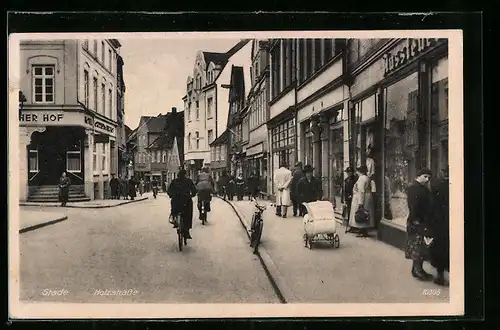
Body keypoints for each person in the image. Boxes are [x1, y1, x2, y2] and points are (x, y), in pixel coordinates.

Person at [405, 168, 434, 281]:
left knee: (419, 246)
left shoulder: (420, 188)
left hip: (419, 221)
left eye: (429, 177)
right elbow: (414, 207)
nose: (427, 179)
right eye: (425, 176)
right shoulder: (415, 189)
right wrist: (416, 220)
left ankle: (417, 270)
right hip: (417, 221)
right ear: (418, 176)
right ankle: (417, 270)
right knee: (418, 246)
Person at [429, 167, 449, 286]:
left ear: (443, 173)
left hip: (438, 220)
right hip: (450, 219)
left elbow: (432, 204)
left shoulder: (436, 185)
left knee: (439, 246)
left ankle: (440, 274)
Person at [167, 169, 197, 239]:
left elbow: (169, 191)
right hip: (186, 201)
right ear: (185, 175)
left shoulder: (174, 181)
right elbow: (194, 191)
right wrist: (192, 195)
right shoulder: (189, 181)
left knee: (174, 209)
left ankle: (174, 219)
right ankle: (187, 229)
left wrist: (171, 195)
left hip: (176, 201)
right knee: (188, 214)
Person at [348, 165, 375, 238]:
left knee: (362, 213)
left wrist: (360, 202)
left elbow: (361, 191)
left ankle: (362, 230)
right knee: (366, 213)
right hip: (368, 197)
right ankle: (364, 230)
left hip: (363, 198)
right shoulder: (367, 178)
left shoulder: (361, 179)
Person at [341, 167, 358, 232]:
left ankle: (354, 226)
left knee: (353, 212)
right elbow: (344, 190)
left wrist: (352, 194)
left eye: (350, 172)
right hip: (347, 198)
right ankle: (350, 225)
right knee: (348, 212)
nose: (348, 173)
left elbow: (355, 189)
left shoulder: (355, 180)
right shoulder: (346, 180)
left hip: (353, 198)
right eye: (347, 172)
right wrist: (343, 199)